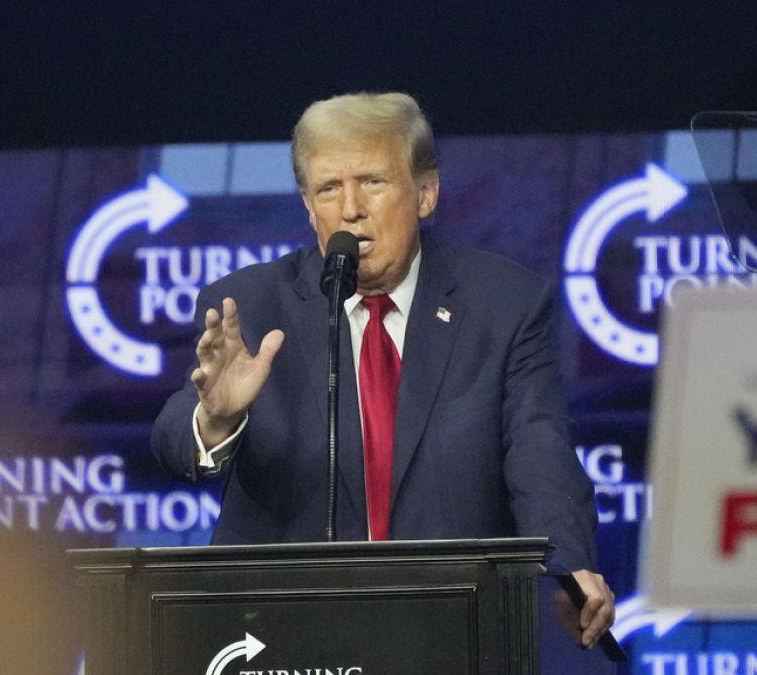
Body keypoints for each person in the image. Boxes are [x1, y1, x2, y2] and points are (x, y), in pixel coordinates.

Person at [151, 91, 614, 648]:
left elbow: (540, 451)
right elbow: (172, 443)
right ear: (308, 207)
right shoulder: (249, 305)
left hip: (451, 631)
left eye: (372, 181)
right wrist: (216, 418)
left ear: (425, 193)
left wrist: (567, 567)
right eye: (328, 188)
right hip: (282, 636)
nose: (350, 208)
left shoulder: (503, 305)